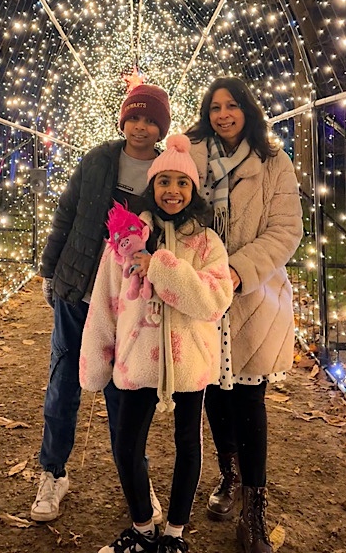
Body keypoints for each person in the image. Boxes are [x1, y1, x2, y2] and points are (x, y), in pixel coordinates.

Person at [80, 134, 234, 553]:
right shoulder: (126, 238)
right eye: (164, 181)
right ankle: (142, 528)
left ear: (193, 190)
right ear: (152, 186)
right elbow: (106, 301)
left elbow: (215, 299)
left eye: (182, 183)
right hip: (137, 361)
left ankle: (175, 535)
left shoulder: (206, 243)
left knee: (188, 445)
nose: (173, 190)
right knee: (127, 445)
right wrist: (97, 358)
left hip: (189, 363)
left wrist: (161, 267)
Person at [31, 84, 171, 523]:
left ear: (161, 128)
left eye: (150, 121)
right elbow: (66, 214)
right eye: (134, 118)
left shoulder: (166, 170)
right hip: (78, 293)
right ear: (123, 120)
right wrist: (50, 272)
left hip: (128, 303)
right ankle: (53, 472)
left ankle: (135, 479)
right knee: (63, 384)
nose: (140, 127)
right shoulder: (98, 160)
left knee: (125, 395)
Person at [186, 76, 303, 553]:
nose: (223, 115)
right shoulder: (190, 155)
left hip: (253, 295)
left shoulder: (274, 162)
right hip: (201, 293)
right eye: (215, 107)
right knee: (213, 390)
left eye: (232, 106)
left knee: (250, 400)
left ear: (247, 110)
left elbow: (286, 230)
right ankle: (229, 474)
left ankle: (255, 507)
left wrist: (237, 271)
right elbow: (172, 208)